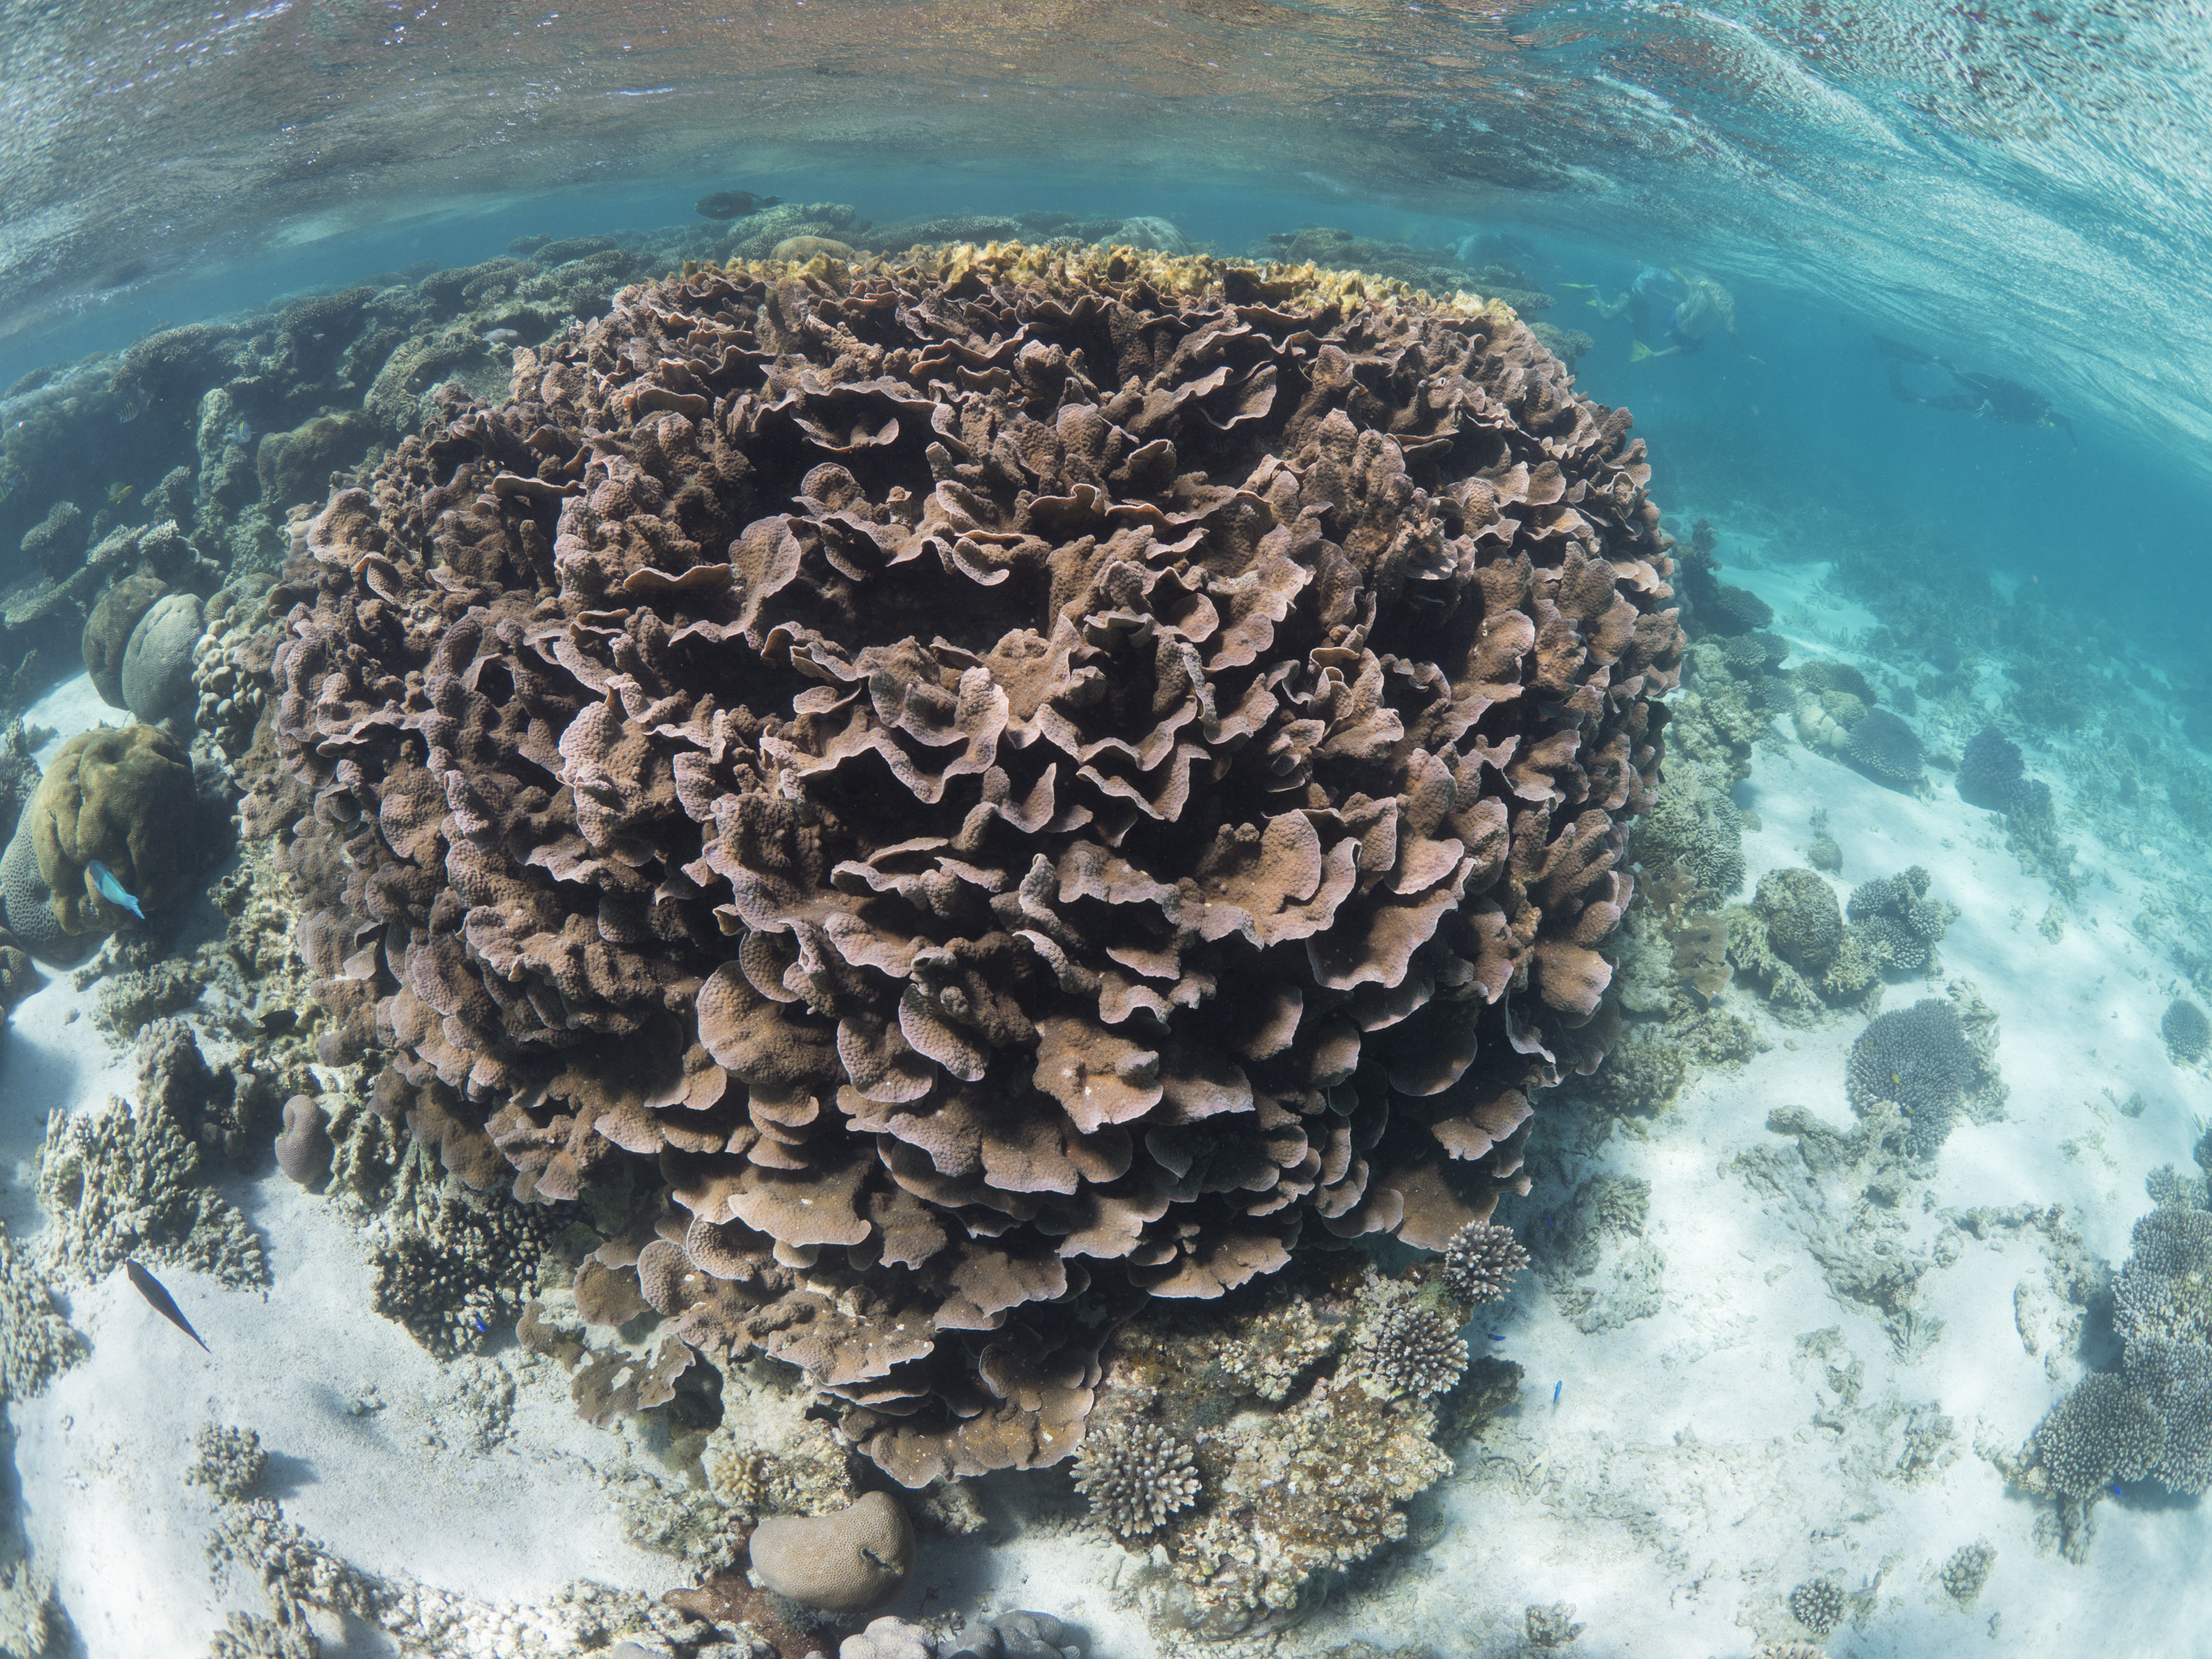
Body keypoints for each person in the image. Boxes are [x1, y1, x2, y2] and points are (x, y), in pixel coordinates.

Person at [1876, 338, 2076, 445]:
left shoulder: (2035, 417)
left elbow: (2005, 417)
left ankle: (1910, 395)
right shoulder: (2037, 408)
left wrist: (2074, 444)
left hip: (1989, 401)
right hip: (1994, 387)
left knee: (1955, 402)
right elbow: (2014, 399)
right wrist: (1993, 407)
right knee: (1957, 375)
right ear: (2050, 418)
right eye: (2050, 425)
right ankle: (1918, 355)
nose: (2044, 426)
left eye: (2050, 428)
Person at [1629, 271, 1759, 362]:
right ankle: (1655, 354)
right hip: (1687, 336)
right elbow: (1731, 330)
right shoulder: (1726, 299)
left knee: (1681, 306)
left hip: (1672, 317)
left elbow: (1683, 288)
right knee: (1701, 345)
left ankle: (1668, 334)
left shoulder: (1698, 279)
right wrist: (1745, 353)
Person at [1563, 263, 1682, 343]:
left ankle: (1616, 309)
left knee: (1640, 331)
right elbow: (1648, 286)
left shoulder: (1666, 272)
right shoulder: (1656, 269)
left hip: (1640, 302)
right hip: (1630, 296)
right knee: (1606, 317)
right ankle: (1593, 292)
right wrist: (1668, 297)